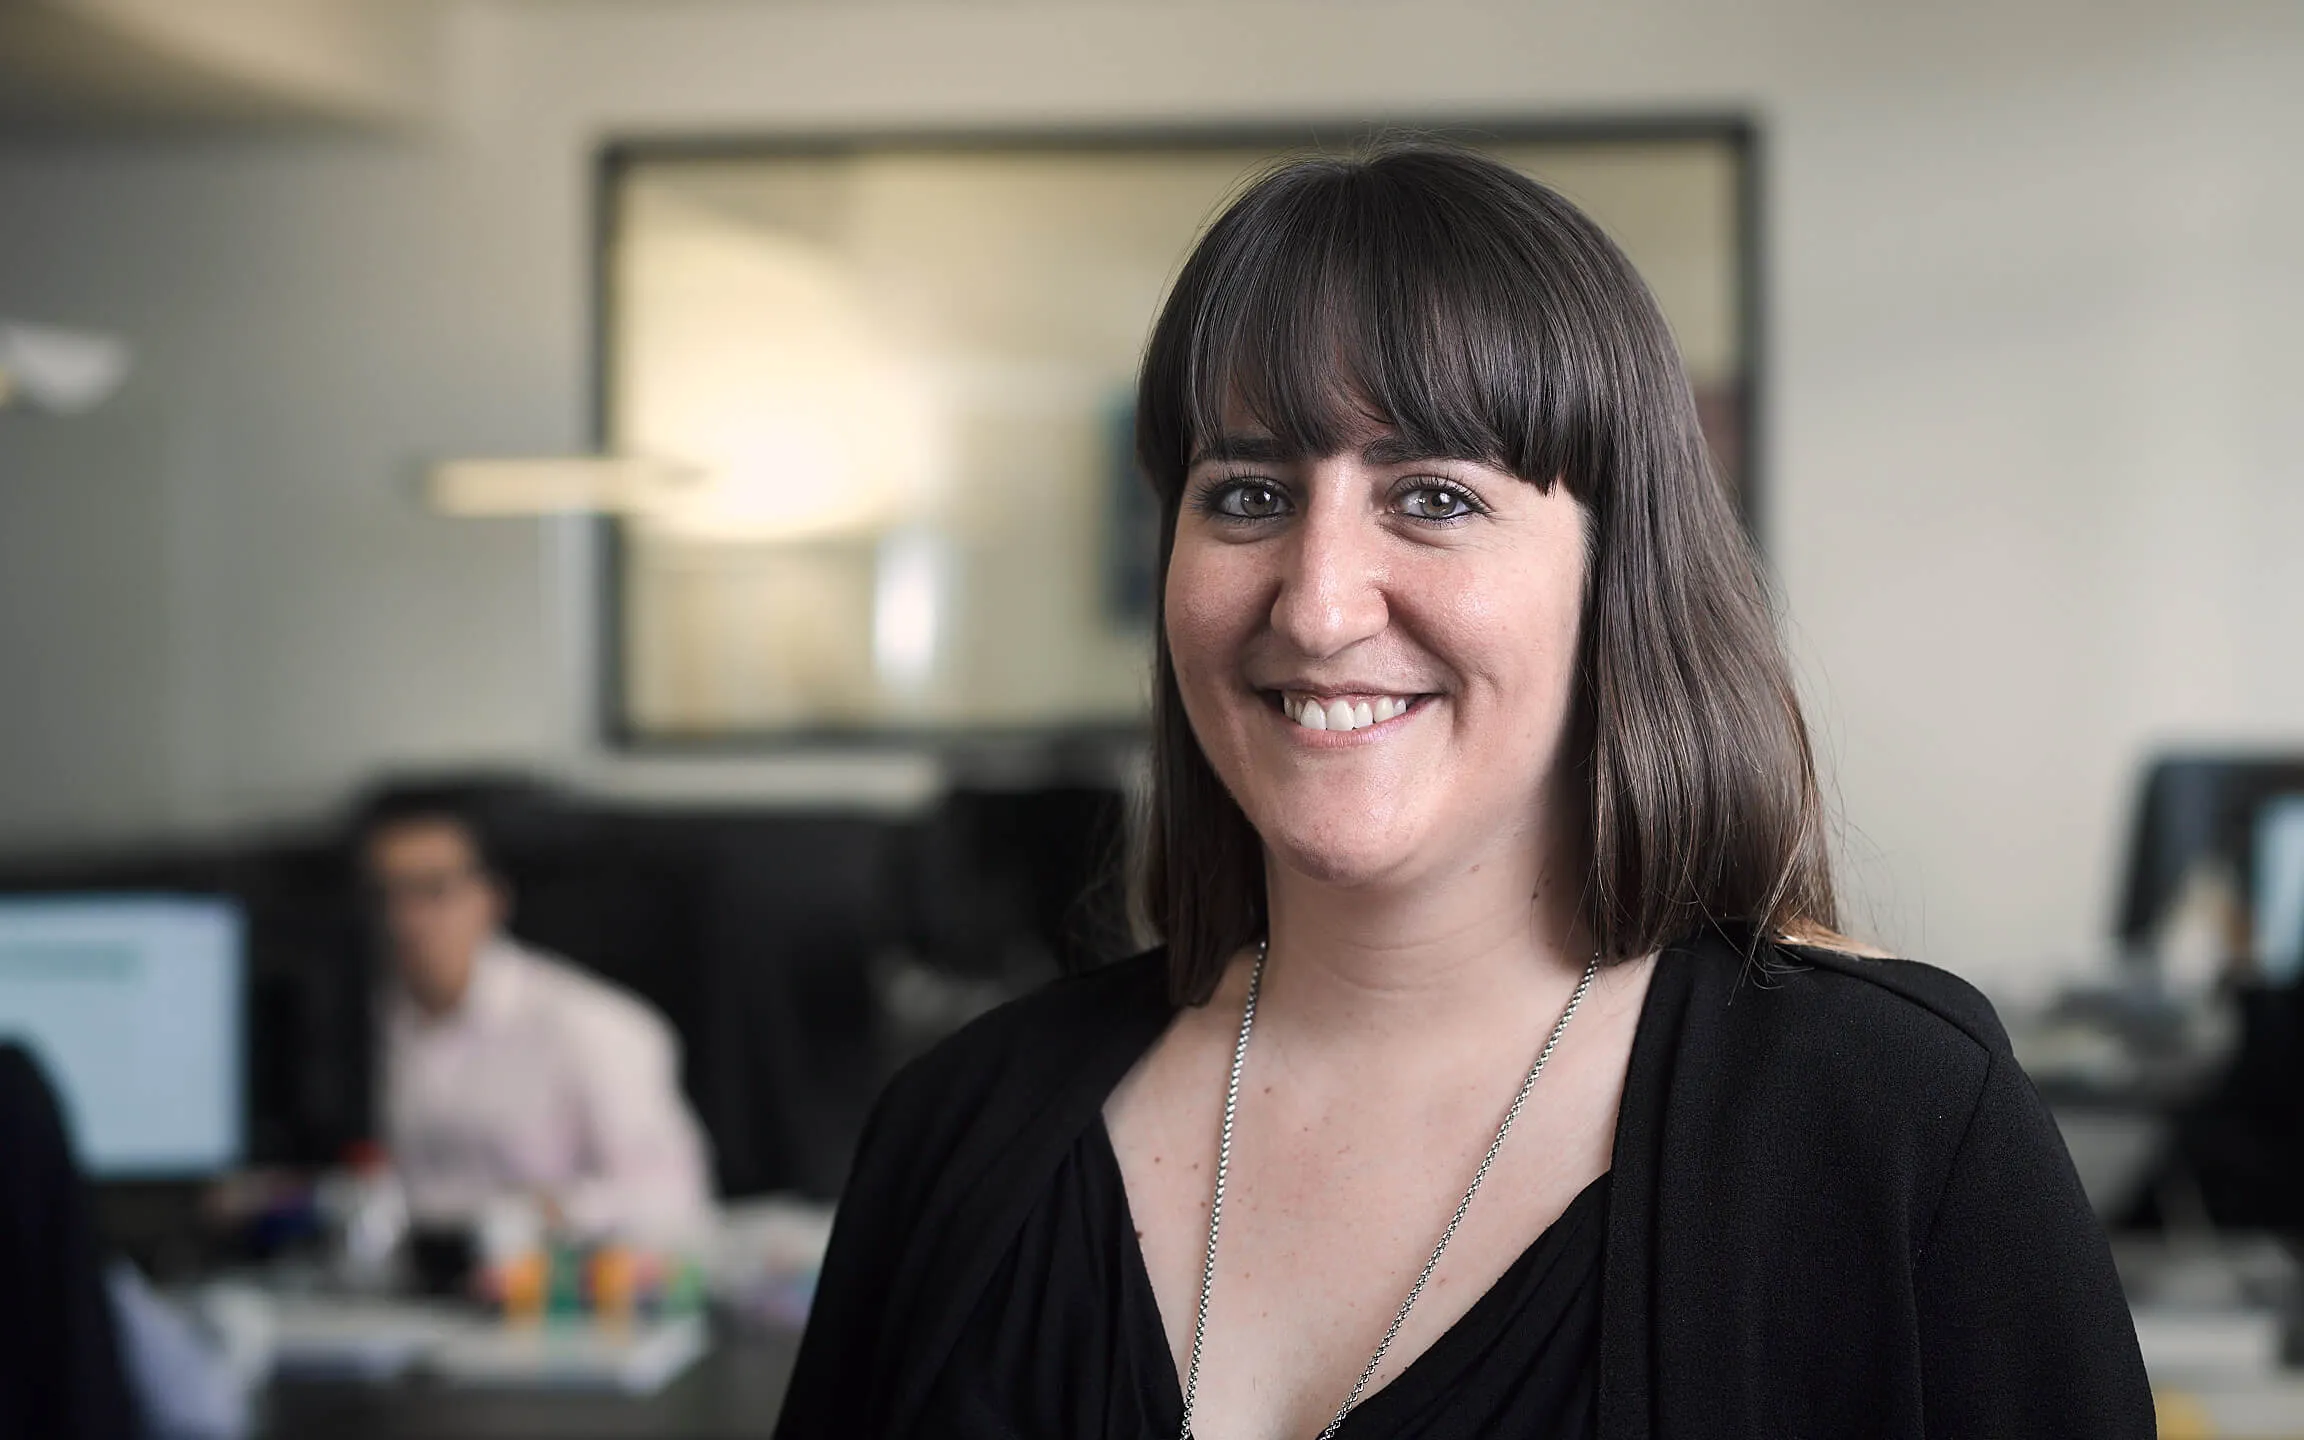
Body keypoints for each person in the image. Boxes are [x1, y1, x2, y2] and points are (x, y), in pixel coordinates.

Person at [774, 144, 2152, 1438]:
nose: (1316, 608)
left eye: (1432, 497)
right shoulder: (953, 1135)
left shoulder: (1899, 1129)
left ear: (1619, 576)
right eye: (1247, 494)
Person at [360, 792, 713, 1246]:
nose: (403, 920)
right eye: (384, 895)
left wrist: (547, 1214)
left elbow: (673, 1200)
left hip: (557, 1290)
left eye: (432, 890)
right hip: (406, 1290)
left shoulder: (593, 1026)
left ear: (490, 898)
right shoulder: (364, 1025)